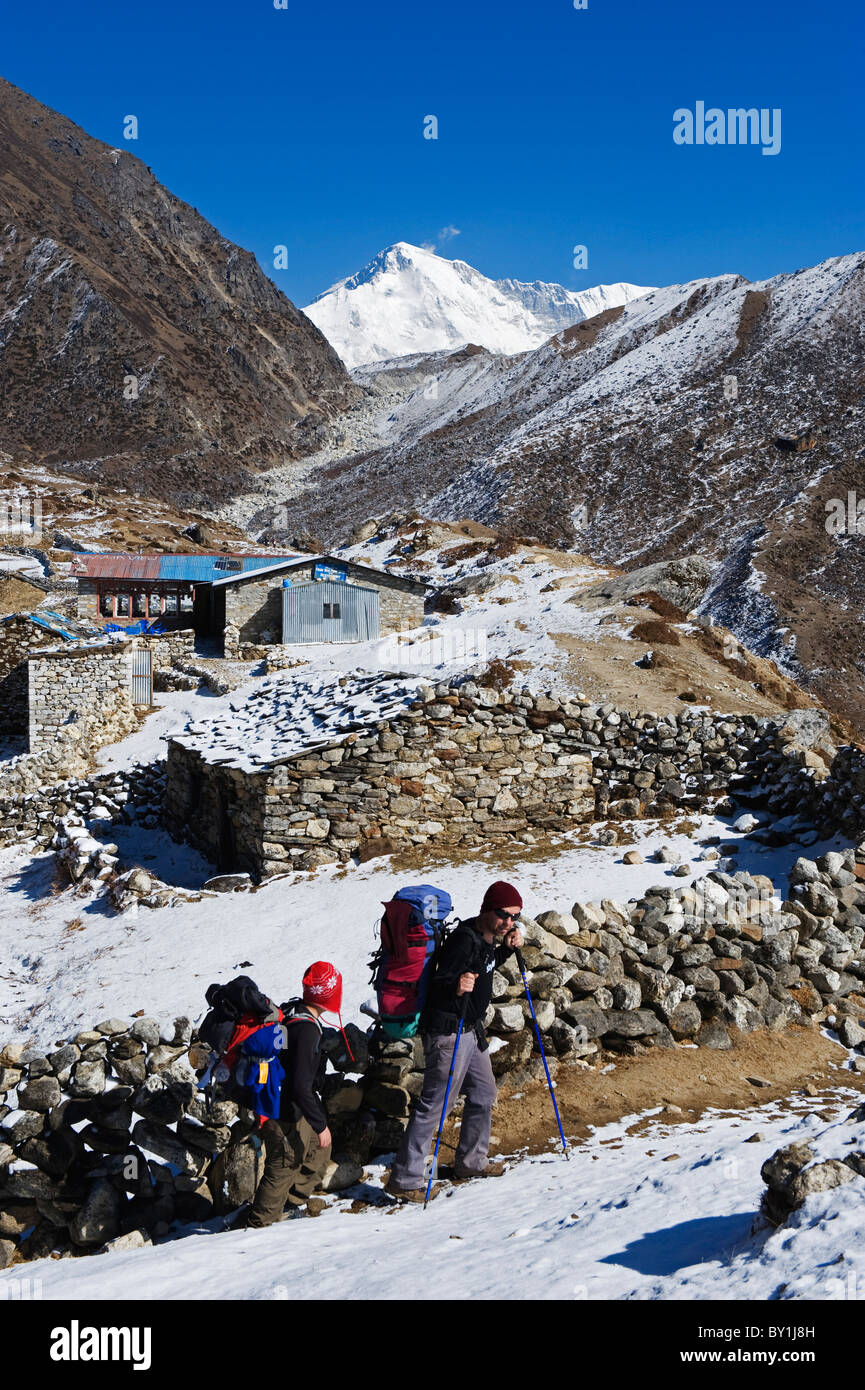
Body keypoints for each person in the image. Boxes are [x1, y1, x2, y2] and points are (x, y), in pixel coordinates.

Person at [385, 880, 524, 1201]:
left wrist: (505, 949)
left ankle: (471, 1163)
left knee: (484, 1093)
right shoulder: (463, 941)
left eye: (515, 916)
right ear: (488, 910)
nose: (509, 921)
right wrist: (456, 985)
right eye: (504, 914)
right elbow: (441, 981)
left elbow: (485, 966)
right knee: (436, 1105)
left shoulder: (488, 939)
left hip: (470, 1030)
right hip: (448, 1031)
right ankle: (404, 1180)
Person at [242, 960, 347, 1228]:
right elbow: (301, 1084)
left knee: (318, 1149)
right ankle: (258, 1224)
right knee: (283, 1164)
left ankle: (292, 1203)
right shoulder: (307, 1030)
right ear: (330, 995)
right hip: (284, 1109)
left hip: (288, 1104)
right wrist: (321, 1124)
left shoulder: (295, 1012)